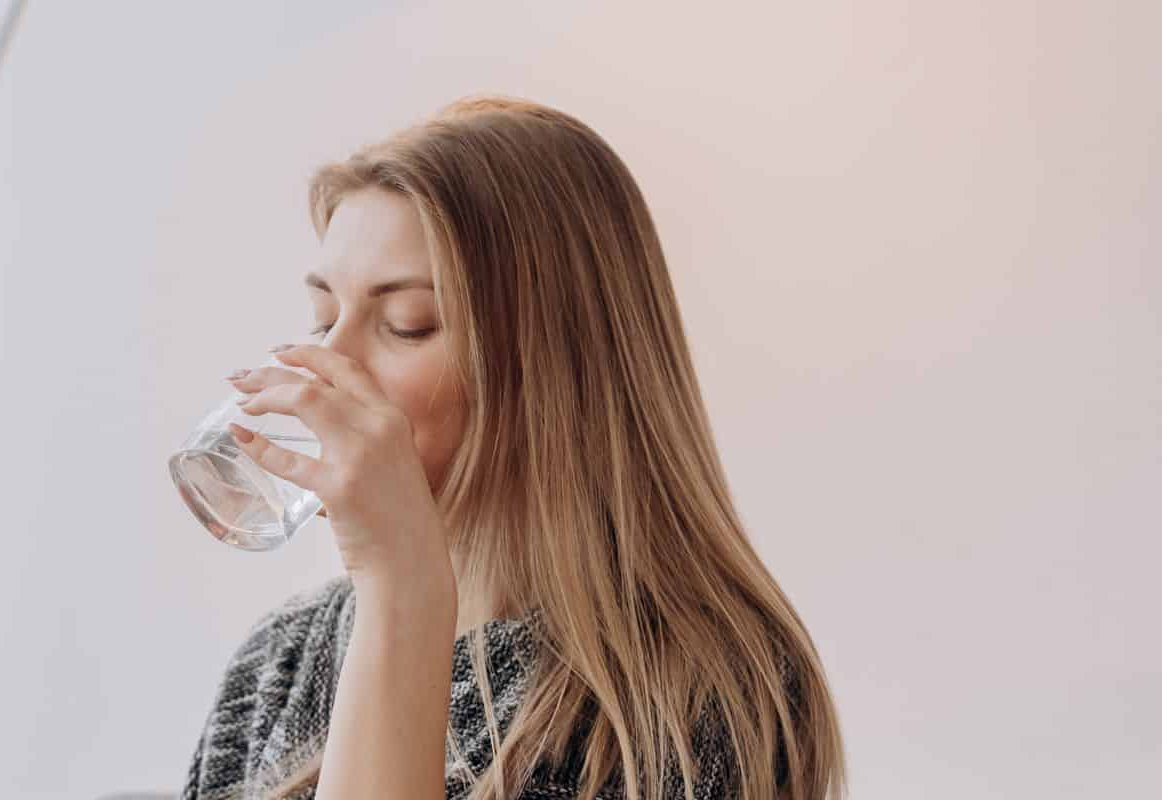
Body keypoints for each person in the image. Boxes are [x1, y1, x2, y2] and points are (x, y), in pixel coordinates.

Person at [179, 95, 845, 800]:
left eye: (408, 324)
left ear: (556, 362)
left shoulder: (700, 693)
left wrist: (406, 587)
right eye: (324, 319)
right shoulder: (285, 656)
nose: (324, 369)